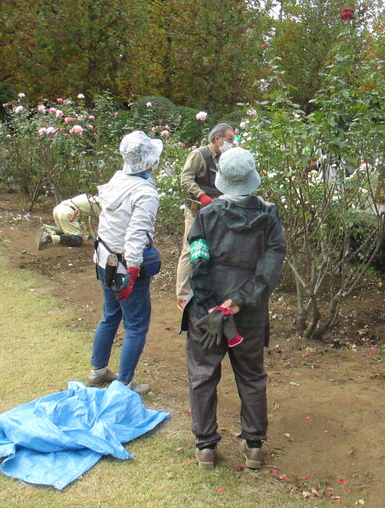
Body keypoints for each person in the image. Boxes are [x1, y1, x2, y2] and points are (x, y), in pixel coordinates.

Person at [181, 147, 287, 470]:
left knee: (203, 375)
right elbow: (271, 264)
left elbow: (198, 262)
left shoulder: (206, 216)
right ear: (252, 178)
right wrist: (239, 300)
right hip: (249, 312)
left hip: (207, 311)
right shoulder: (268, 216)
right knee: (252, 376)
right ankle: (253, 445)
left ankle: (205, 446)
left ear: (221, 179)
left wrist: (211, 306)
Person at [86, 131, 163, 395]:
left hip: (105, 259)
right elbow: (136, 234)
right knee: (136, 326)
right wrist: (132, 271)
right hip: (125, 265)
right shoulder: (145, 192)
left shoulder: (117, 180)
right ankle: (126, 383)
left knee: (110, 314)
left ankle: (98, 370)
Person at [174, 123, 236, 310]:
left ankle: (207, 290)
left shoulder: (224, 157)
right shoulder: (199, 155)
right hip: (196, 210)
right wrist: (201, 195)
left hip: (216, 210)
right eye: (230, 140)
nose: (232, 143)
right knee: (190, 248)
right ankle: (183, 295)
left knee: (214, 249)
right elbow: (185, 178)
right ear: (218, 139)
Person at [36, 194, 101, 249]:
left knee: (64, 232)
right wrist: (92, 236)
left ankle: (47, 229)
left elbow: (85, 219)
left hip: (59, 209)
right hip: (68, 213)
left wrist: (90, 235)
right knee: (77, 240)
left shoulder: (88, 197)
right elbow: (99, 222)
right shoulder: (99, 204)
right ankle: (49, 238)